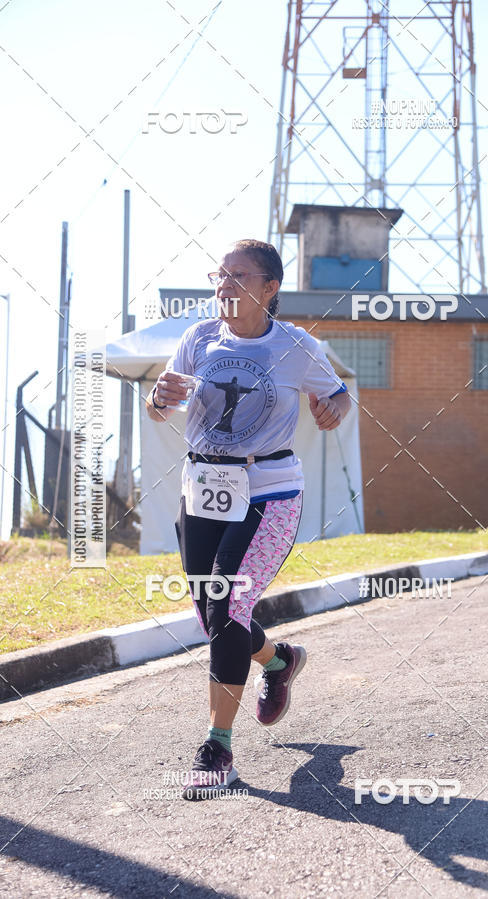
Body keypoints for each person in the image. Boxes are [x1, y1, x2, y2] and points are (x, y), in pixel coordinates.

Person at [146, 238, 351, 799]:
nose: (224, 286)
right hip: (203, 485)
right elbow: (161, 406)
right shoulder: (197, 338)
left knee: (229, 602)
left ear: (269, 288)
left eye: (238, 276)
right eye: (220, 275)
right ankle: (281, 660)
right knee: (215, 615)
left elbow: (339, 397)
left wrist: (333, 410)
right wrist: (159, 398)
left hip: (269, 488)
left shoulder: (296, 346)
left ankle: (217, 747)